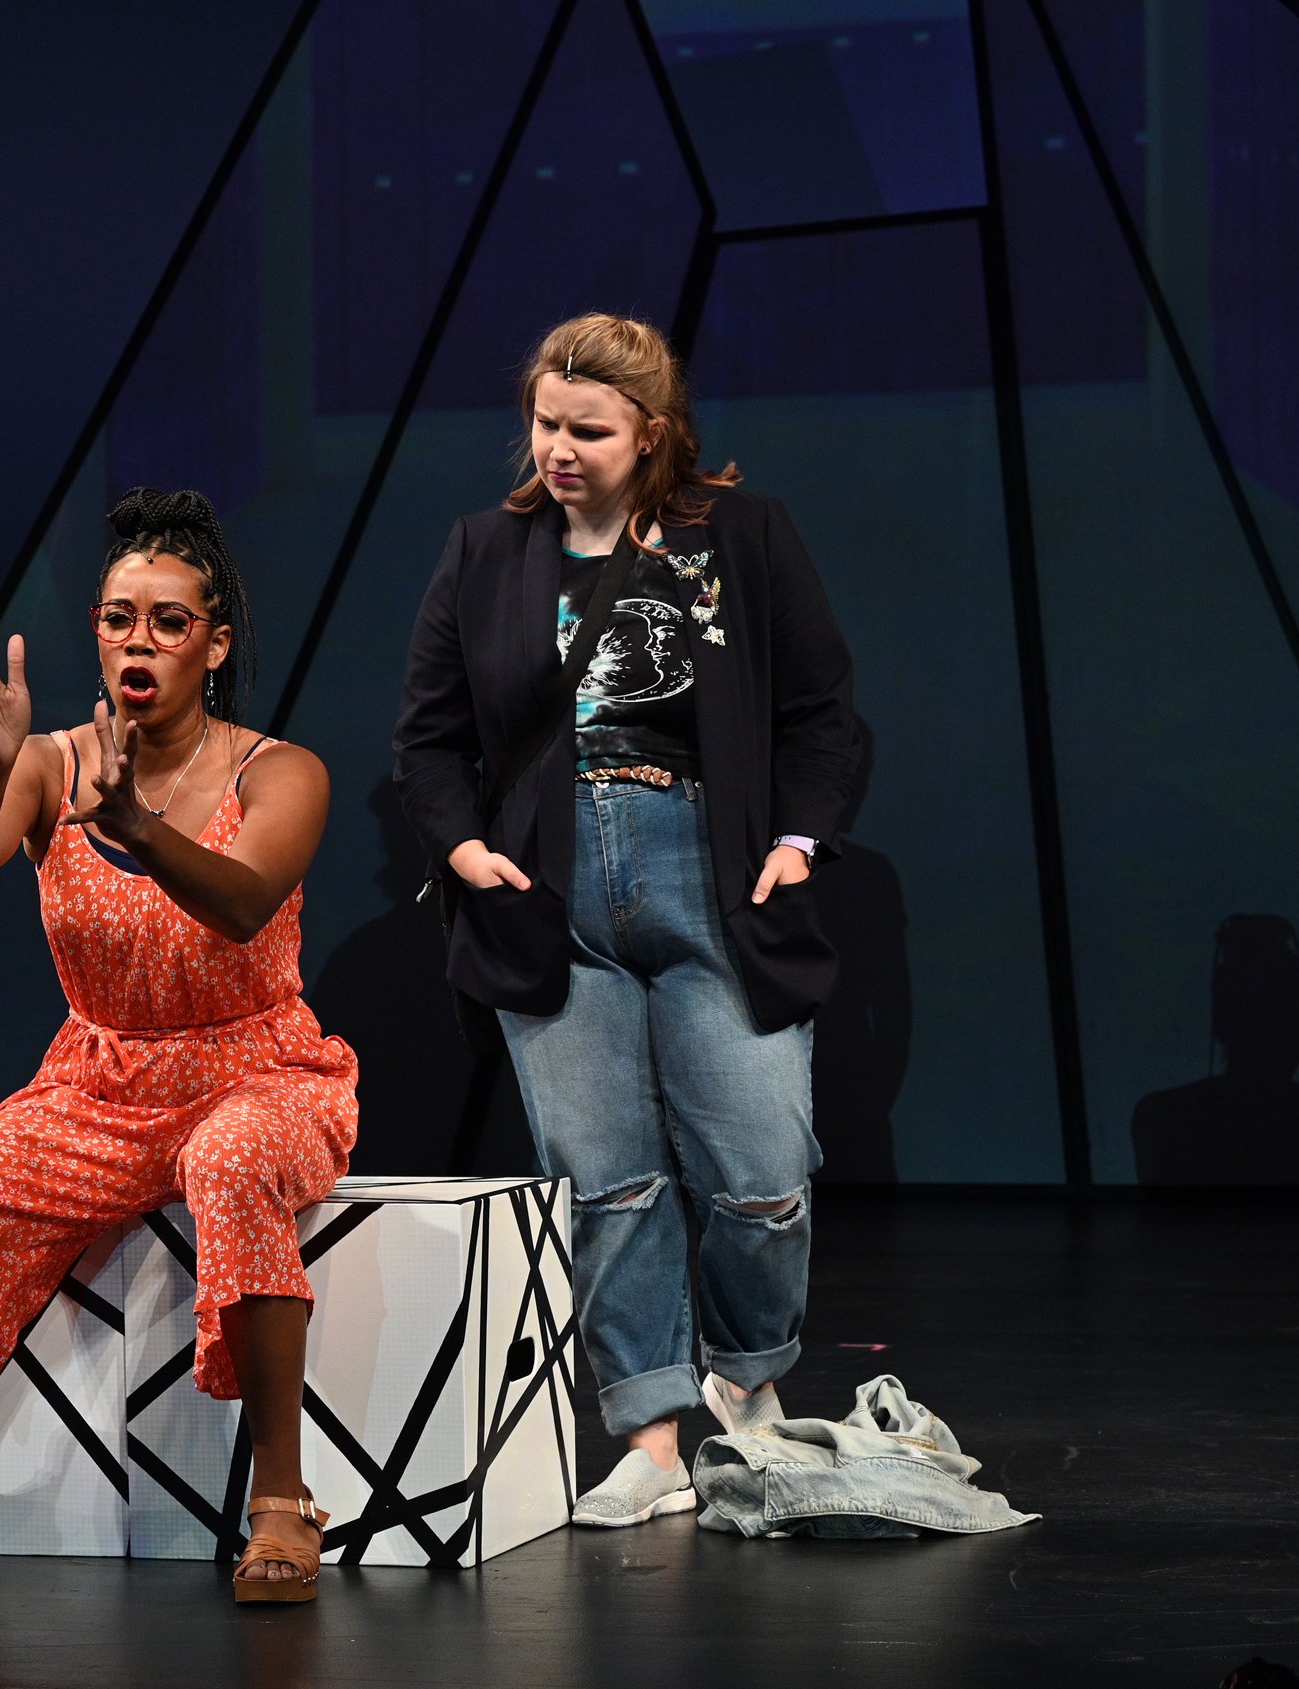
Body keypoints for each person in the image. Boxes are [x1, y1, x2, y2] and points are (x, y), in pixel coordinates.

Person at [0, 488, 358, 1605]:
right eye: (121, 618)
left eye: (170, 622)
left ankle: (280, 1500)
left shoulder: (279, 770)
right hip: (97, 1083)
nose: (141, 641)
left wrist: (142, 835)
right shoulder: (53, 764)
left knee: (229, 1163)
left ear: (213, 643)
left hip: (258, 1070)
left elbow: (245, 905)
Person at [394, 312, 859, 1528]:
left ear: (650, 434)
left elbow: (821, 712)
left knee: (760, 1175)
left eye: (587, 431)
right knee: (608, 1185)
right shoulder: (485, 551)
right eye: (544, 424)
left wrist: (799, 846)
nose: (557, 449)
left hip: (709, 869)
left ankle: (748, 1394)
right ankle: (649, 1437)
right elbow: (428, 733)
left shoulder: (736, 535)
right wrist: (462, 848)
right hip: (551, 891)